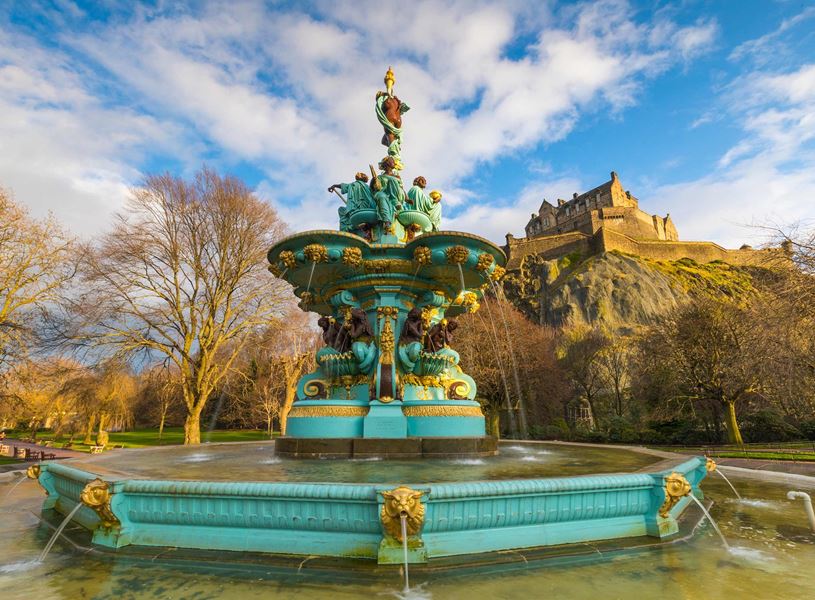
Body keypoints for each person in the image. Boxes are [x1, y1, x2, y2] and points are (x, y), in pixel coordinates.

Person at [371, 156, 406, 233]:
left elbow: (402, 188)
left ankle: (395, 201)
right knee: (380, 196)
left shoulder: (397, 176)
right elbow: (374, 188)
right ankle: (387, 222)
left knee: (391, 181)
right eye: (392, 161)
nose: (394, 163)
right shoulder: (379, 177)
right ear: (387, 163)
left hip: (397, 195)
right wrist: (373, 181)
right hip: (384, 192)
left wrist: (407, 198)